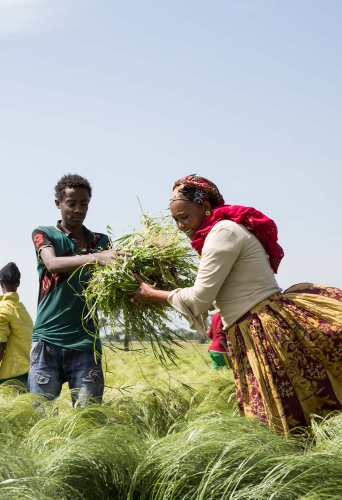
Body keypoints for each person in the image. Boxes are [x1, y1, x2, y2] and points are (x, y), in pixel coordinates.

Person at [128, 175, 342, 434]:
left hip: (262, 328)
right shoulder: (220, 230)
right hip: (249, 326)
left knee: (281, 415)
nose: (180, 225)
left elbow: (199, 298)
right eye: (175, 219)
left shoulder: (223, 232)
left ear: (206, 207)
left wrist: (152, 293)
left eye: (184, 217)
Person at [29, 174, 125, 406]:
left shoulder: (101, 241)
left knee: (89, 419)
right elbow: (52, 264)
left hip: (85, 343)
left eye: (84, 203)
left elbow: (113, 281)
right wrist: (97, 258)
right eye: (71, 203)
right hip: (47, 341)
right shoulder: (45, 234)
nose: (78, 209)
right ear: (58, 204)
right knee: (41, 417)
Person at [0, 262, 33, 387]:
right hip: (28, 376)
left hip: (8, 379)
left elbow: (0, 346)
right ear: (18, 283)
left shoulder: (2, 309)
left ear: (1, 284)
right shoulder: (23, 310)